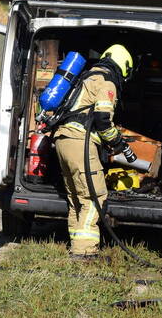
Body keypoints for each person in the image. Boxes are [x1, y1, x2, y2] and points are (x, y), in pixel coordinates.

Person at [51, 44, 135, 259]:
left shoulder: (86, 76)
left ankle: (76, 243)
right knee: (95, 197)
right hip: (80, 142)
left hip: (62, 140)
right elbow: (103, 120)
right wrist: (117, 143)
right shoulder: (107, 82)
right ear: (123, 67)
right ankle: (84, 252)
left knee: (76, 197)